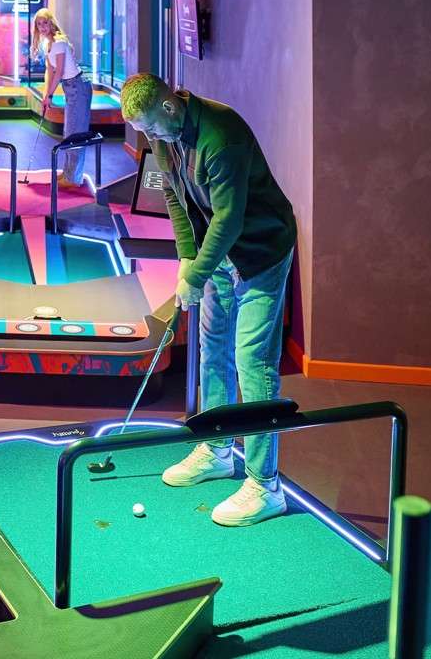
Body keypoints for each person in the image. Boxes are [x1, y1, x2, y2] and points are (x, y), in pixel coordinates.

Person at [121, 73, 298, 527]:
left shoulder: (222, 134)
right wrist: (186, 259)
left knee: (252, 360)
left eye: (151, 128)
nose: (150, 138)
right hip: (213, 254)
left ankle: (265, 484)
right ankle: (218, 450)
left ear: (169, 107)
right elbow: (178, 203)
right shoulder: (162, 137)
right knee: (212, 349)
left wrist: (196, 273)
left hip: (259, 252)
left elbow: (230, 218)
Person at [31, 8, 92, 189]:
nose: (42, 27)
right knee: (69, 132)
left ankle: (73, 178)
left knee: (75, 133)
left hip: (78, 87)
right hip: (70, 87)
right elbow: (49, 71)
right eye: (39, 24)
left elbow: (58, 72)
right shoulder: (47, 43)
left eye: (45, 23)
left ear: (51, 23)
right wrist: (45, 95)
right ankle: (68, 173)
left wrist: (50, 94)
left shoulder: (58, 43)